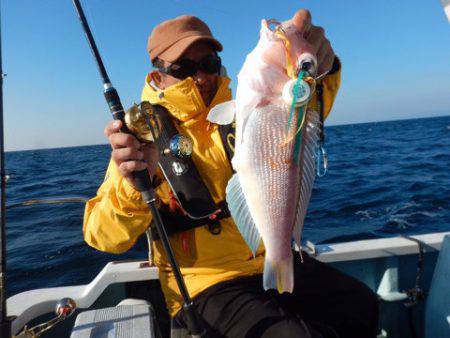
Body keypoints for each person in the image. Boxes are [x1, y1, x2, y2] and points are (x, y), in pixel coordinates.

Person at [83, 10, 379, 338]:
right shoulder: (143, 137)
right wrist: (133, 182)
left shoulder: (245, 109)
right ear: (157, 77)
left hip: (270, 256)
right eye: (183, 68)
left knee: (362, 304)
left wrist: (322, 68)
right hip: (205, 283)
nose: (201, 76)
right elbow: (103, 237)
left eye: (208, 63)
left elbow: (305, 108)